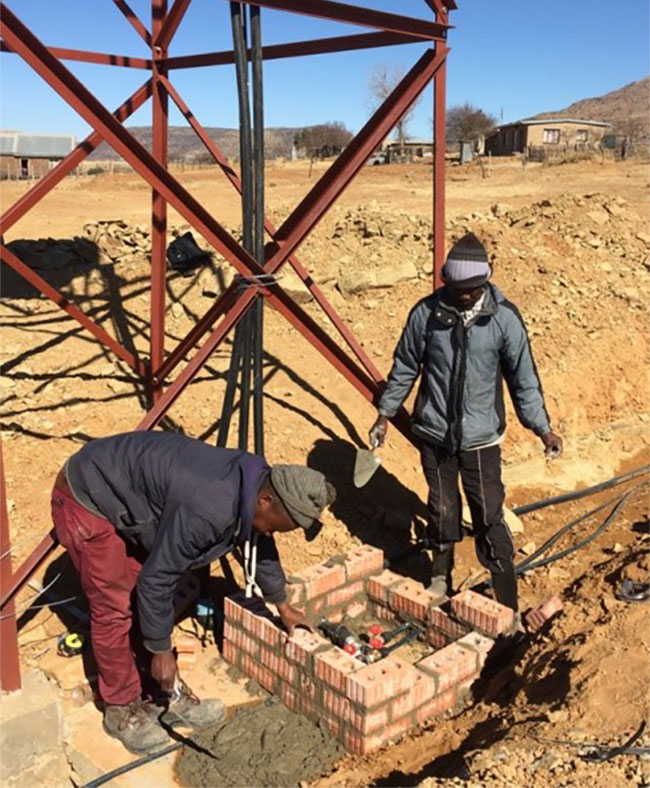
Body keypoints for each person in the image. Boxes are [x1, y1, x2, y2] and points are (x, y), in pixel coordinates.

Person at [51, 430, 334, 754]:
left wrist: (283, 606)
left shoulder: (252, 489)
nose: (274, 533)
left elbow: (260, 542)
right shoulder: (210, 507)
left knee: (140, 599)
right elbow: (157, 580)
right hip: (88, 497)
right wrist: (160, 650)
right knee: (114, 606)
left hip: (130, 497)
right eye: (278, 525)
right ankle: (120, 708)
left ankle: (162, 691)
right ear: (265, 501)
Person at [369, 233, 562, 624]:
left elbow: (523, 379)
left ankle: (504, 591)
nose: (462, 296)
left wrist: (542, 428)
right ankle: (440, 578)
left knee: (488, 512)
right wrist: (384, 416)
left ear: (483, 284)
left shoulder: (503, 318)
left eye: (470, 291)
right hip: (434, 435)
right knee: (442, 508)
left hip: (480, 439)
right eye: (455, 289)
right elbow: (405, 366)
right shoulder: (426, 314)